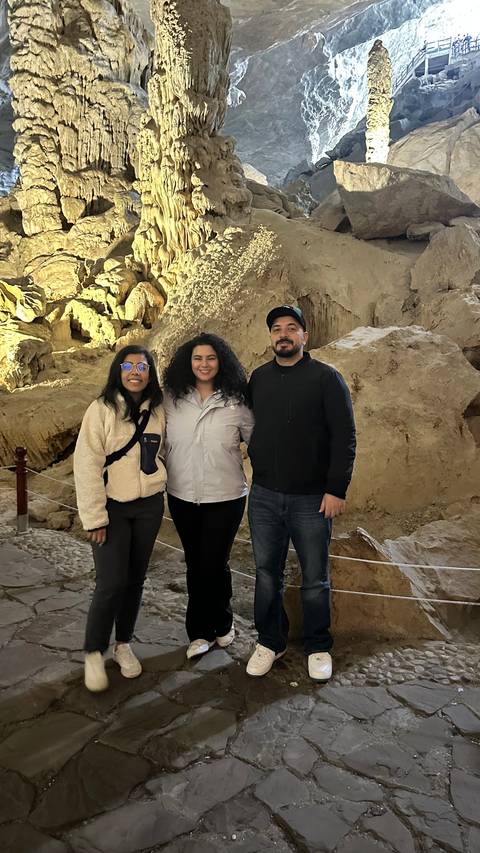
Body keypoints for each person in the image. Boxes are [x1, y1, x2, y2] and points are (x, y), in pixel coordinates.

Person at [246, 306, 356, 681]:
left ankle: (318, 645)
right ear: (271, 337)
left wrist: (335, 489)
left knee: (314, 577)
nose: (284, 335)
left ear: (305, 336)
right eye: (277, 329)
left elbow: (345, 438)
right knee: (265, 573)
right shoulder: (258, 379)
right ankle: (270, 640)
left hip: (312, 499)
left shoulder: (327, 379)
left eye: (292, 328)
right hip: (263, 496)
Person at [74, 345, 166, 692]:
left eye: (142, 366)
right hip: (112, 508)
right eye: (128, 365)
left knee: (135, 580)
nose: (135, 372)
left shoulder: (158, 410)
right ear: (118, 370)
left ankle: (123, 644)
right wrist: (95, 518)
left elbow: (165, 451)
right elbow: (86, 465)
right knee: (111, 582)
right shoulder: (100, 410)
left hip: (149, 506)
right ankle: (94, 652)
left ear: (150, 373)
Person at [163, 333, 254, 659]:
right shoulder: (171, 400)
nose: (204, 364)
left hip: (225, 496)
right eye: (198, 358)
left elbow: (257, 442)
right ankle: (200, 632)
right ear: (188, 363)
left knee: (214, 562)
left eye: (211, 358)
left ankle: (222, 623)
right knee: (196, 563)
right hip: (182, 495)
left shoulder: (237, 402)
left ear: (221, 362)